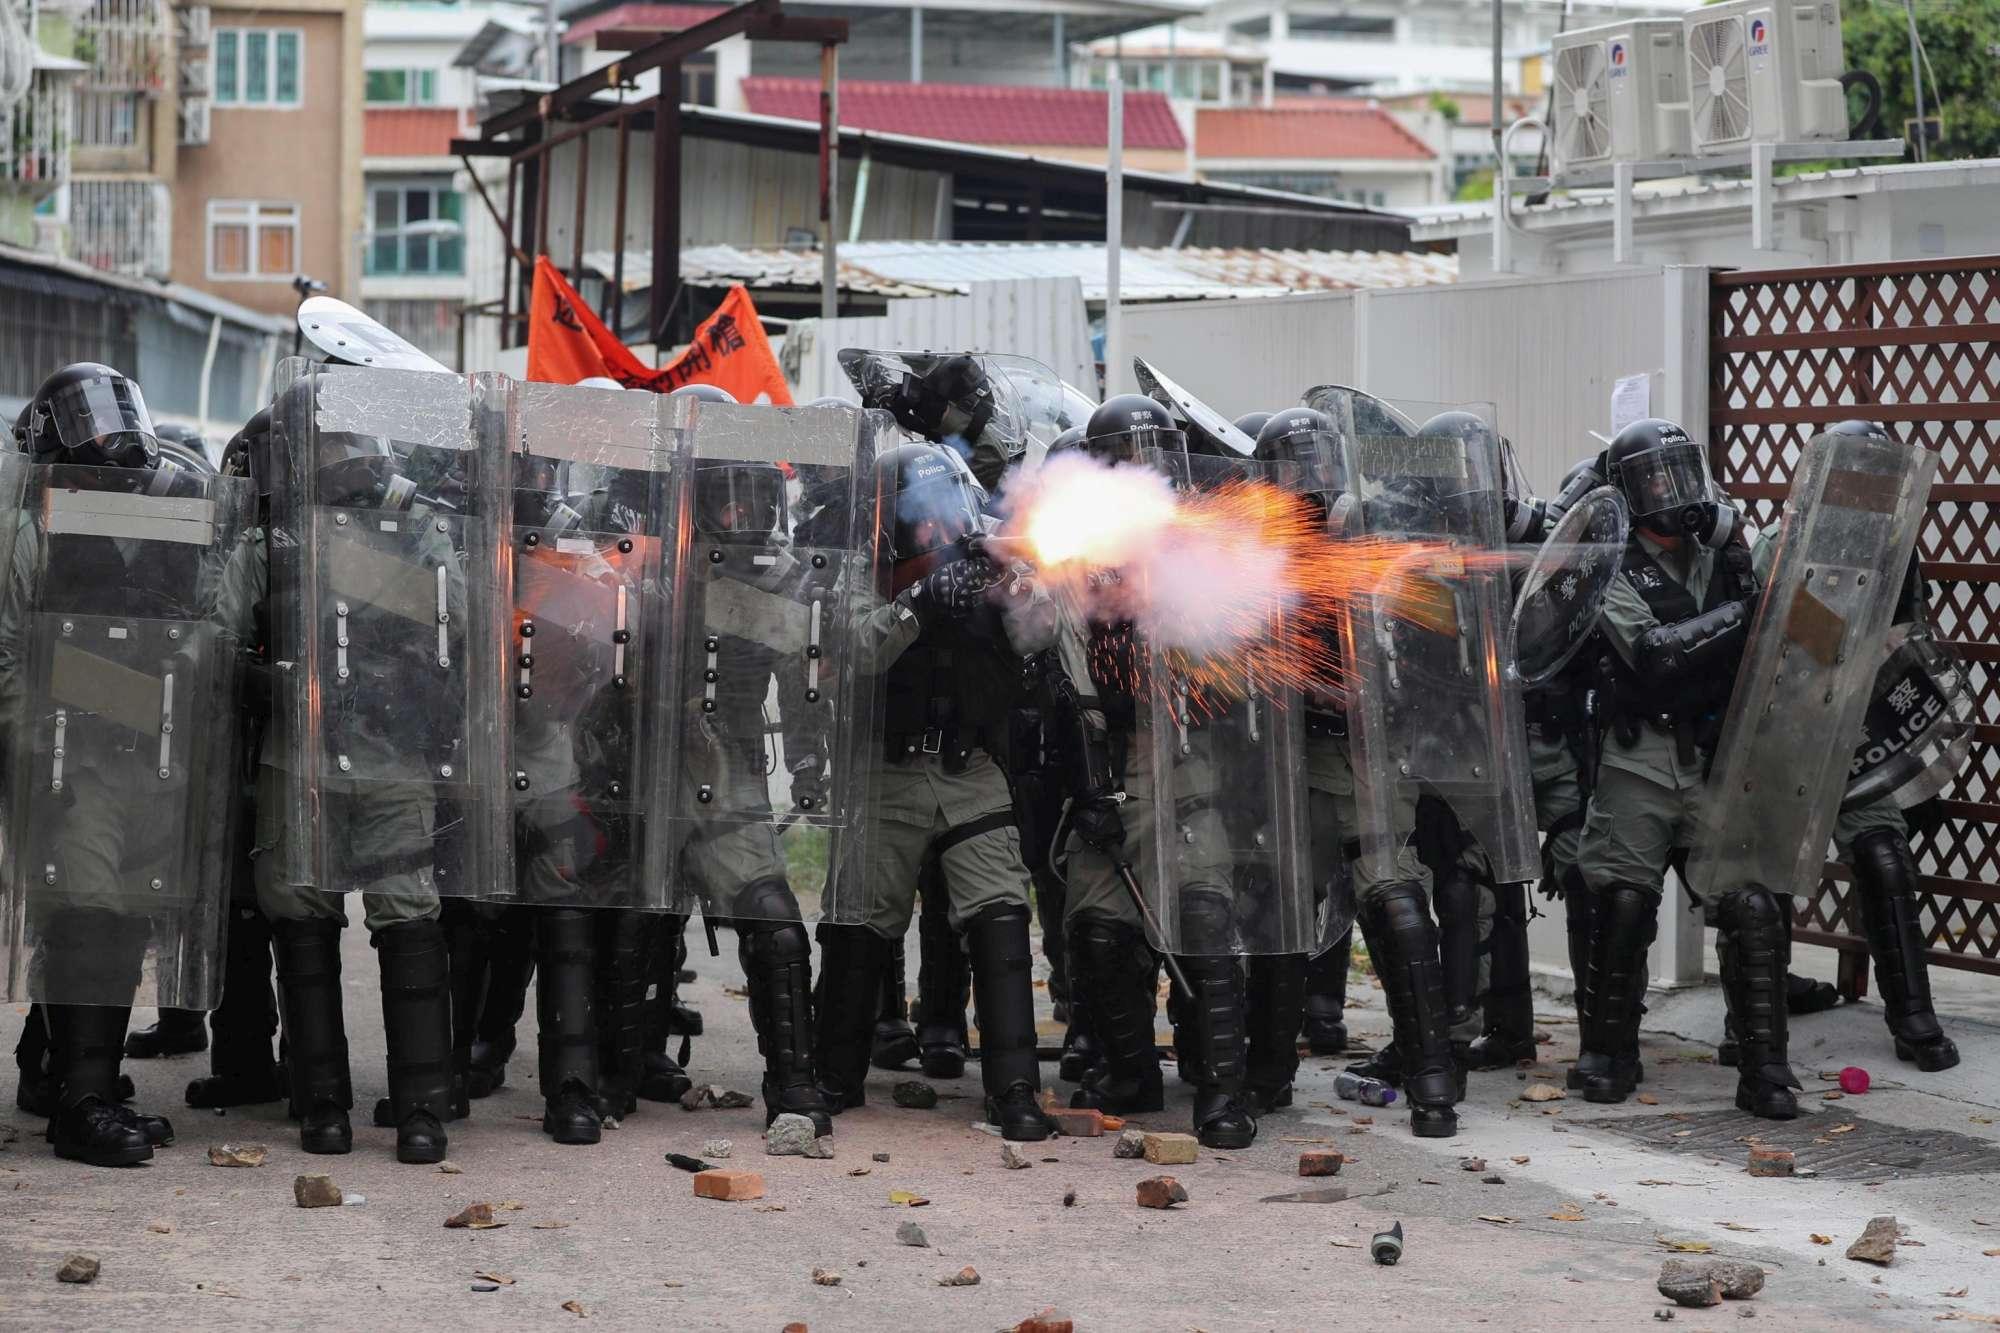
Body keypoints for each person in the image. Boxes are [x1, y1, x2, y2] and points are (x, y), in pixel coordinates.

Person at [3, 363, 251, 1164]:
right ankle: (81, 1102)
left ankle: (71, 1076)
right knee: (85, 907)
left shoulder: (171, 512)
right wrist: (34, 739)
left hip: (148, 749)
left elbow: (205, 623)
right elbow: (9, 648)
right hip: (68, 752)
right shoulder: (26, 525)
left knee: (123, 910)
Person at [812, 440, 1058, 1142]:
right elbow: (855, 648)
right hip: (882, 771)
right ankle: (834, 1075)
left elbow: (1046, 634)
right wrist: (921, 599)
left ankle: (1014, 1089)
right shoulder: (862, 570)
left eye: (945, 517)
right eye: (922, 523)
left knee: (1002, 913)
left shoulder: (990, 558)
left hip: (969, 768)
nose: (937, 532)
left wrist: (1018, 590)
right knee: (858, 923)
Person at [1055, 394, 1267, 1149]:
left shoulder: (1201, 562)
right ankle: (1132, 1073)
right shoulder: (1076, 563)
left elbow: (1238, 679)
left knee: (1206, 926)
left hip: (1188, 776)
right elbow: (1061, 679)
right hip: (1112, 778)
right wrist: (1086, 789)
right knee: (1100, 935)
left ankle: (1221, 1094)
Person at [1571, 417, 1791, 1114]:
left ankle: (1764, 1067)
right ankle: (1608, 1052)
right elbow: (1657, 655)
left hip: (1716, 754)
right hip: (1640, 754)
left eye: (1682, 473)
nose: (1675, 492)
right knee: (1625, 903)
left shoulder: (1724, 556)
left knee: (1752, 904)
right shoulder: (1607, 562)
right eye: (1657, 479)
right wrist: (1745, 610)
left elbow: (1789, 611)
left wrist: (1758, 563)